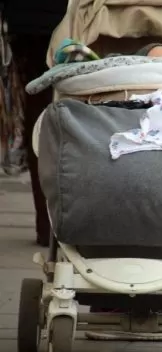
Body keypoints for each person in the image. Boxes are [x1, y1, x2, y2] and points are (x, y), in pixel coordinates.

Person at [1, 0, 68, 247]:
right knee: (80, 108)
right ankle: (67, 222)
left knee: (37, 108)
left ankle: (46, 226)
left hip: (28, 20)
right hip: (73, 17)